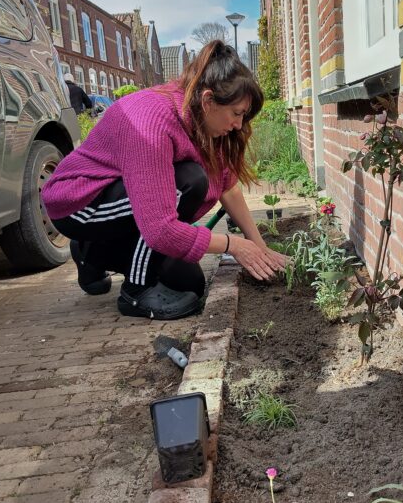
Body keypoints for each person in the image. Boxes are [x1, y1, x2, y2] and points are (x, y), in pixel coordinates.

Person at [42, 41, 287, 320]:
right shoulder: (151, 122)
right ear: (208, 100)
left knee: (189, 283)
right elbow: (159, 229)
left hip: (122, 203)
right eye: (237, 113)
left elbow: (227, 185)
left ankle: (92, 251)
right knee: (191, 180)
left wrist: (259, 248)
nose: (239, 125)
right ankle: (136, 292)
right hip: (80, 203)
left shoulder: (200, 116)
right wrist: (233, 245)